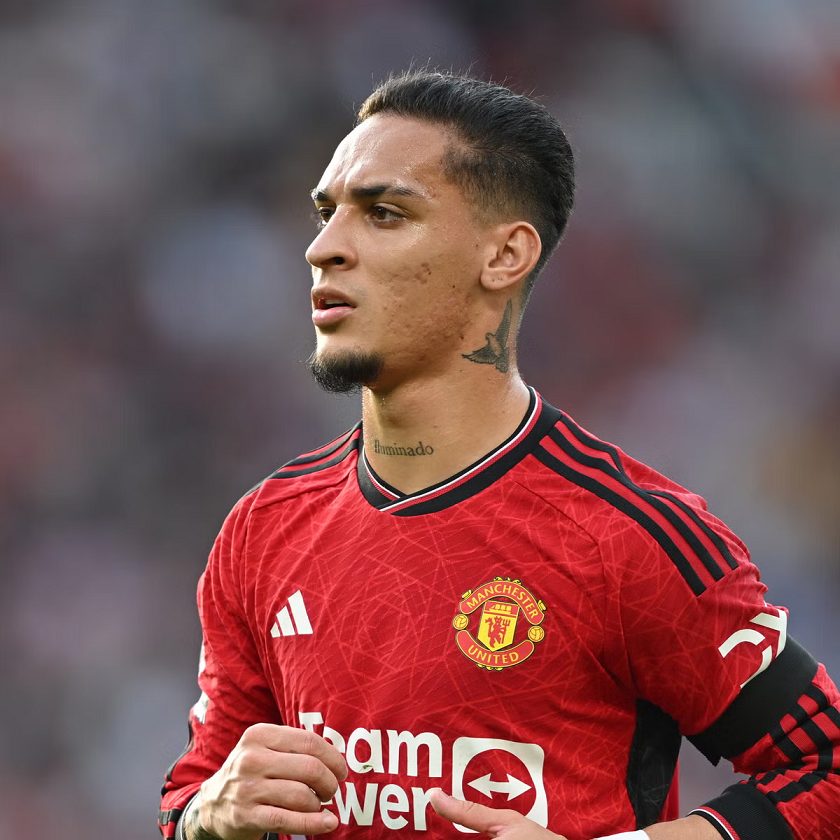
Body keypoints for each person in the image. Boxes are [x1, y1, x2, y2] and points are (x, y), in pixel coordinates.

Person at [158, 71, 840, 840]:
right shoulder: (262, 531)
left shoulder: (625, 538)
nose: (324, 248)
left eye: (384, 214)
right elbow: (191, 795)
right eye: (326, 214)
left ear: (505, 255)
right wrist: (206, 817)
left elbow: (826, 770)